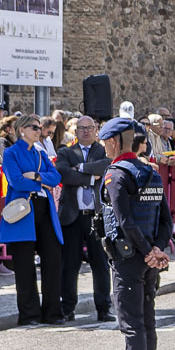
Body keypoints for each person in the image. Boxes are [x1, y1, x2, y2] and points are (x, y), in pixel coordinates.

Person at [97, 117, 171, 350]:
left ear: (114, 142)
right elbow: (166, 220)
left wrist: (145, 251)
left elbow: (125, 220)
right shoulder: (149, 172)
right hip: (147, 257)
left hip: (129, 257)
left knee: (131, 322)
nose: (103, 146)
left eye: (105, 141)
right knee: (147, 319)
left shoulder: (116, 174)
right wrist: (157, 249)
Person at [0, 113, 66, 326]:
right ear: (22, 130)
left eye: (39, 128)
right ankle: (29, 314)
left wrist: (36, 177)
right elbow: (16, 181)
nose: (40, 131)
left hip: (44, 209)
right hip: (23, 211)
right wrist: (41, 183)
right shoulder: (11, 153)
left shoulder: (40, 152)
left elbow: (55, 178)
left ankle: (53, 312)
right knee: (24, 266)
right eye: (35, 128)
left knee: (53, 261)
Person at [55, 116, 113, 324]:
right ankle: (67, 307)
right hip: (73, 216)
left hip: (95, 216)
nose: (86, 131)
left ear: (96, 130)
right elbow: (63, 174)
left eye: (89, 128)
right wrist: (90, 177)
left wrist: (79, 168)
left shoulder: (103, 151)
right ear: (76, 131)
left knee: (100, 264)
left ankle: (104, 307)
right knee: (69, 265)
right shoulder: (66, 152)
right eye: (81, 128)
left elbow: (106, 166)